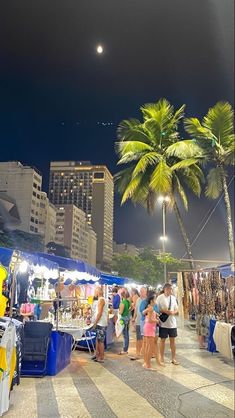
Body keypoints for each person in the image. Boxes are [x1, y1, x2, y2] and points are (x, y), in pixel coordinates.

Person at [156, 283, 179, 366]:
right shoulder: (160, 298)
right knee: (162, 341)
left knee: (173, 341)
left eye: (171, 289)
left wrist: (173, 312)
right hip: (163, 323)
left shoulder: (173, 298)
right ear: (165, 289)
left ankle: (174, 358)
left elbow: (177, 309)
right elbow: (156, 309)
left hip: (172, 323)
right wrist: (164, 311)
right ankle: (161, 357)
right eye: (170, 289)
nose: (171, 291)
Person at [143, 294, 159, 370]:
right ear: (152, 300)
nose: (156, 301)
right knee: (150, 347)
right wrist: (157, 320)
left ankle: (146, 363)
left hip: (148, 328)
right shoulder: (151, 308)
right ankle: (148, 365)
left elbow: (143, 312)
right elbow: (150, 320)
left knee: (148, 346)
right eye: (155, 299)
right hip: (150, 328)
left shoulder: (149, 307)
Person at [92, 287, 108, 363]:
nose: (94, 293)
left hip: (100, 323)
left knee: (100, 341)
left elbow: (100, 313)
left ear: (98, 292)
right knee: (98, 340)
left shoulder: (101, 300)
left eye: (95, 291)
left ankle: (101, 357)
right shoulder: (102, 299)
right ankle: (98, 355)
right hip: (101, 322)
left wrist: (95, 322)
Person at [131, 286, 147, 360]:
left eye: (142, 291)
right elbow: (136, 310)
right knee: (138, 338)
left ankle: (145, 353)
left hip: (145, 323)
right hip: (138, 322)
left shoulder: (147, 300)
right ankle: (138, 353)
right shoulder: (138, 300)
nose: (141, 293)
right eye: (140, 291)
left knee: (145, 339)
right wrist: (134, 318)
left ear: (146, 292)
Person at [118, 290, 131, 355]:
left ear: (122, 296)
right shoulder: (128, 302)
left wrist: (118, 311)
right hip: (127, 319)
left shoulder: (122, 302)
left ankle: (125, 349)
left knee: (125, 335)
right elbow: (130, 309)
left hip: (123, 319)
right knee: (127, 334)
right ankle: (126, 348)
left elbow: (120, 312)